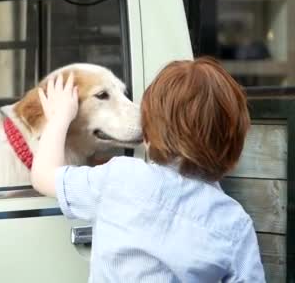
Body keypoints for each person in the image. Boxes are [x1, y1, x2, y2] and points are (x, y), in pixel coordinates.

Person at [31, 57, 265, 282]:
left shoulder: (119, 179)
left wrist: (59, 118)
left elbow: (43, 176)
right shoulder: (234, 223)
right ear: (235, 144)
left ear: (148, 133)